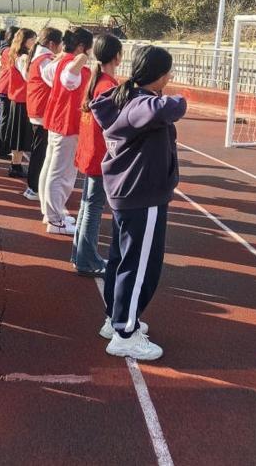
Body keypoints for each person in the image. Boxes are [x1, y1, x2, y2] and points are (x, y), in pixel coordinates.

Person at [90, 45, 185, 361]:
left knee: (122, 260)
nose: (170, 77)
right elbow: (167, 109)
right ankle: (125, 333)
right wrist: (178, 99)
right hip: (142, 195)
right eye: (168, 72)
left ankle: (115, 318)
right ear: (159, 74)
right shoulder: (141, 103)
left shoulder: (126, 98)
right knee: (140, 266)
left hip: (130, 193)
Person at [71, 34, 122, 276]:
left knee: (87, 205)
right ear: (117, 56)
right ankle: (86, 259)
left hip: (91, 152)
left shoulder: (98, 81)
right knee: (92, 207)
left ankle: (81, 255)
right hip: (99, 154)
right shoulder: (108, 86)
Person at [39, 27, 94, 235]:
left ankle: (51, 213)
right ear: (82, 47)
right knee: (61, 173)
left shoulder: (60, 62)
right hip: (67, 124)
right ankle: (55, 219)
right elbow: (70, 78)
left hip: (57, 121)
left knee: (51, 169)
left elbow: (48, 74)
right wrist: (81, 58)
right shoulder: (72, 65)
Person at [24, 27, 63, 201]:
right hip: (42, 109)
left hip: (37, 107)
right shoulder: (45, 60)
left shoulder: (39, 57)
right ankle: (34, 187)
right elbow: (56, 81)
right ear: (52, 44)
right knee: (41, 152)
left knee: (38, 150)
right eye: (60, 44)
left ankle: (32, 186)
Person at [1, 28, 37, 177]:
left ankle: (15, 164)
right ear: (24, 41)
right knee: (19, 135)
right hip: (21, 98)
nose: (34, 42)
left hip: (18, 98)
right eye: (32, 39)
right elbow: (27, 76)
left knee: (18, 134)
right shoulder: (23, 57)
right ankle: (15, 166)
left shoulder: (16, 54)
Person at [0, 26, 19, 158]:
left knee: (6, 118)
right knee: (6, 119)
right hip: (6, 86)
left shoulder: (5, 49)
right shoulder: (9, 50)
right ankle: (2, 149)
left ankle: (3, 148)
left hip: (5, 85)